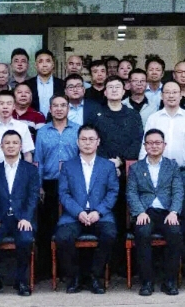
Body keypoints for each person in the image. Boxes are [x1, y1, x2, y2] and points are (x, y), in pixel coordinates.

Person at [54, 125, 119, 294]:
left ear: (98, 142)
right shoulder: (68, 166)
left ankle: (95, 277)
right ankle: (75, 277)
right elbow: (64, 194)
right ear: (77, 142)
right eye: (83, 139)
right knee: (63, 237)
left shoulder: (107, 166)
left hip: (100, 215)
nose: (87, 143)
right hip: (74, 215)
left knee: (110, 234)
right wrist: (78, 212)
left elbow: (113, 192)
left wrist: (98, 211)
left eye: (91, 139)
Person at [0, 131, 40, 297]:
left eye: (15, 143)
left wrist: (27, 217)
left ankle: (21, 281)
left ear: (21, 146)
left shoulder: (31, 170)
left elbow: (33, 196)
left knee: (25, 239)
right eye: (7, 143)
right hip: (0, 219)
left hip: (22, 218)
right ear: (1, 146)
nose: (11, 146)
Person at [127, 129, 185, 296]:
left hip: (167, 212)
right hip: (145, 212)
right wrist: (139, 212)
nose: (154, 146)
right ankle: (147, 282)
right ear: (145, 146)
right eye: (150, 143)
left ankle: (169, 281)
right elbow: (131, 192)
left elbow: (178, 191)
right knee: (142, 232)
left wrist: (174, 211)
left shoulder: (172, 166)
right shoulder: (136, 168)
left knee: (175, 233)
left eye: (157, 143)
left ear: (164, 145)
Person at [35, 95, 79, 278]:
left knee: (69, 224)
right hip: (50, 183)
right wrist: (39, 186)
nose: (59, 109)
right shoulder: (42, 132)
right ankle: (47, 269)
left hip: (74, 185)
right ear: (50, 109)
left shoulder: (78, 130)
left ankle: (69, 269)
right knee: (48, 225)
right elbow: (38, 161)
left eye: (63, 105)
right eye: (55, 106)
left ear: (68, 108)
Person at [0, 90, 36, 193]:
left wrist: (27, 180)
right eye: (1, 103)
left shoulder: (22, 127)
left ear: (14, 106)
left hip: (16, 174)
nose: (5, 107)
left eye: (9, 103)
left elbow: (27, 155)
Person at [140, 80, 185, 166]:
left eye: (174, 92)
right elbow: (145, 146)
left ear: (180, 95)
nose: (171, 95)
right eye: (167, 92)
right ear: (161, 96)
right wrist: (142, 166)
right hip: (158, 169)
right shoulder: (153, 118)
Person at [93, 76, 144, 176]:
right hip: (102, 165)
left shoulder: (133, 115)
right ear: (105, 92)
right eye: (110, 87)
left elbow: (137, 141)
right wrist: (108, 162)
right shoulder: (96, 115)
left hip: (128, 166)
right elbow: (92, 141)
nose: (114, 90)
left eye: (117, 87)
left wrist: (120, 160)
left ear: (123, 92)